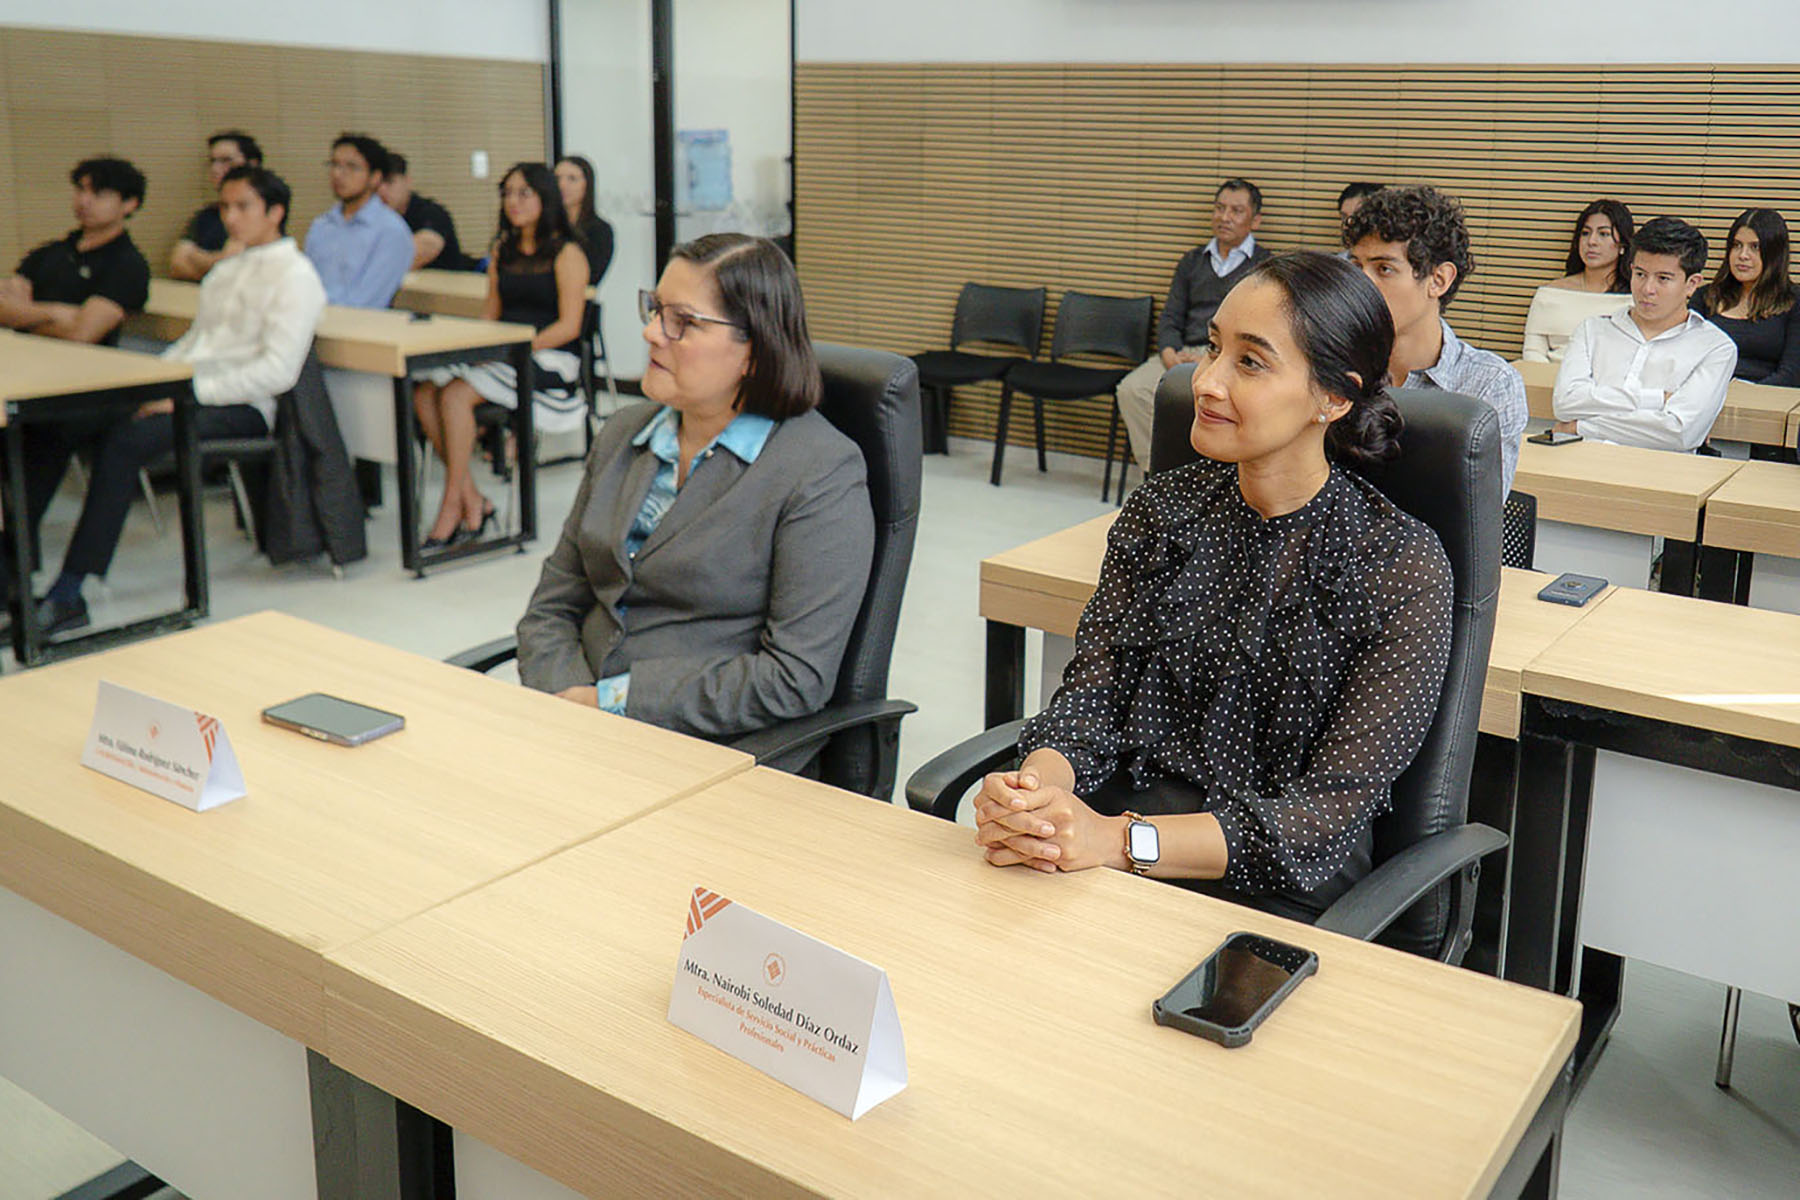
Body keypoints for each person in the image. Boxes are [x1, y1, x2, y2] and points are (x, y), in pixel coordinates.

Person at [973, 251, 1452, 922]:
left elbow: (1321, 818)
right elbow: (1091, 698)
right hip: (1108, 851)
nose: (1207, 382)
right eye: (1213, 348)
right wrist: (1036, 793)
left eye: (1250, 363)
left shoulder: (1399, 563)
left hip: (1272, 891)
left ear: (1334, 397)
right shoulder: (1162, 511)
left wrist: (1115, 839)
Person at [515, 233, 873, 739]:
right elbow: (553, 605)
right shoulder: (624, 434)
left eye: (682, 322)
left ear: (754, 350)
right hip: (576, 721)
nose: (651, 333)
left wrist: (610, 703)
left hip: (705, 744)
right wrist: (566, 696)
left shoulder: (818, 471)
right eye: (655, 309)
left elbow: (795, 678)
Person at [28, 166, 326, 636]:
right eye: (225, 206)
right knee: (62, 420)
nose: (230, 217)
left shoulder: (297, 276)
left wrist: (184, 396)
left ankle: (70, 590)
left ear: (275, 212)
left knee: (126, 441)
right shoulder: (227, 269)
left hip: (242, 408)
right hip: (187, 393)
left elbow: (278, 372)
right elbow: (194, 343)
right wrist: (153, 383)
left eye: (243, 206)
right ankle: (14, 567)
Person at [411, 163, 589, 548]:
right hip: (504, 353)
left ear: (545, 198)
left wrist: (515, 349)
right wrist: (481, 347)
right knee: (425, 390)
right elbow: (491, 313)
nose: (513, 201)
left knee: (456, 394)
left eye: (524, 193)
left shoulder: (567, 252)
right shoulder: (502, 250)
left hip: (550, 357)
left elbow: (569, 326)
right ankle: (472, 499)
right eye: (507, 193)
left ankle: (450, 505)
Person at [1344, 184, 1528, 493]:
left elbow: (1473, 520)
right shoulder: (1335, 364)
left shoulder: (1488, 384)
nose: (1362, 283)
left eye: (1384, 269)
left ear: (1438, 280)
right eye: (1356, 266)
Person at [1115, 178, 1271, 466]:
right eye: (1219, 208)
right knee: (1132, 390)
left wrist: (1213, 355)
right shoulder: (1191, 261)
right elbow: (1172, 315)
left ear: (1256, 220)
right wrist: (1169, 353)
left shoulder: (1264, 266)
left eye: (1236, 211)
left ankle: (1203, 479)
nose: (1225, 217)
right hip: (1182, 351)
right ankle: (1159, 477)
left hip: (1227, 355)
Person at [1552, 216, 1737, 452]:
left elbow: (1679, 432)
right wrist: (1655, 399)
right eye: (1640, 274)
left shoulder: (1715, 347)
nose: (1647, 289)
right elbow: (1565, 403)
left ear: (1692, 284)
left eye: (1663, 279)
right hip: (1578, 461)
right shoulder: (1593, 330)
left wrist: (1580, 427)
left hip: (1660, 473)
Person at [0, 157, 150, 346]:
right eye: (80, 190)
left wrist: (20, 317)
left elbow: (81, 334)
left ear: (129, 204)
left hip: (90, 367)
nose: (84, 201)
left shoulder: (127, 265)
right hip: (27, 358)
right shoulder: (49, 252)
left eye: (99, 194)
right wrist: (56, 313)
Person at [1690, 208, 1800, 388]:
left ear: (1774, 254)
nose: (1743, 255)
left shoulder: (1794, 301)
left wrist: (1746, 396)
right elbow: (1686, 359)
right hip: (1704, 397)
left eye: (1754, 247)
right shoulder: (1705, 297)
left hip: (1767, 401)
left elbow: (1792, 374)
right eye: (1737, 245)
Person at [303, 133, 414, 308]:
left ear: (375, 177)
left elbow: (367, 302)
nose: (338, 174)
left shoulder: (391, 231)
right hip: (310, 323)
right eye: (334, 165)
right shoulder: (321, 225)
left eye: (351, 167)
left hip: (357, 328)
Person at [1521, 200, 1635, 363]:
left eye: (1603, 234)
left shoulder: (1635, 299)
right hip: (1550, 382)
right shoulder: (1550, 294)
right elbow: (1533, 352)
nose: (1592, 242)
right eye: (1585, 233)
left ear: (1622, 245)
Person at [169, 130, 262, 281]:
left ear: (252, 164)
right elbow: (177, 265)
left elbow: (241, 268)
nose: (215, 169)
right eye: (213, 161)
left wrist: (196, 257)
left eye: (226, 160)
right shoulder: (207, 215)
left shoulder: (263, 212)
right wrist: (220, 262)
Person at [379, 152, 474, 272]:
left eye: (389, 182)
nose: (382, 191)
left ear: (407, 182)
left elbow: (412, 255)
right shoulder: (376, 217)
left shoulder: (431, 212)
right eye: (376, 185)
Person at [555, 154, 615, 285]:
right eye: (557, 178)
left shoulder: (600, 230)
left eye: (572, 179)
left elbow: (591, 278)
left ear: (587, 185)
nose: (562, 185)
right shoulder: (544, 226)